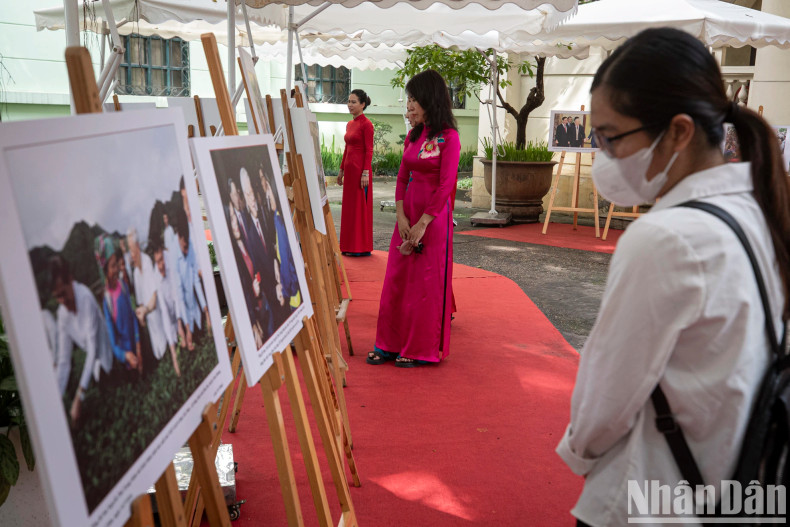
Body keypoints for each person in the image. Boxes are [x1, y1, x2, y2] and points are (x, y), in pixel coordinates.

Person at [556, 28, 789, 527]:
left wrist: (578, 452)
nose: (603, 155)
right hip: (734, 490)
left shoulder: (666, 238)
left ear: (680, 132)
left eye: (611, 137)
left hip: (647, 499)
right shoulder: (761, 212)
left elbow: (605, 401)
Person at [368, 69, 461, 368]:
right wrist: (400, 216)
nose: (409, 107)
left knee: (424, 284)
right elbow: (401, 177)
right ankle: (388, 344)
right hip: (407, 215)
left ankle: (420, 348)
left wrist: (423, 223)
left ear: (429, 100)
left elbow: (446, 184)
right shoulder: (413, 135)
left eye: (413, 100)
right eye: (408, 100)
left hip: (432, 219)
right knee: (396, 278)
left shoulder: (449, 138)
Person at [51, 256, 114, 423]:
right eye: (57, 297)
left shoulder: (85, 297)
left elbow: (93, 349)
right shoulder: (62, 315)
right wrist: (55, 402)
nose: (62, 301)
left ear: (70, 280)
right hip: (93, 365)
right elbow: (64, 362)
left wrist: (79, 396)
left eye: (63, 293)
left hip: (107, 353)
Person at [96, 235, 143, 378]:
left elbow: (133, 317)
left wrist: (138, 346)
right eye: (113, 266)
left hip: (140, 350)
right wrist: (125, 356)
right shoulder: (107, 302)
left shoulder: (123, 286)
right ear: (105, 271)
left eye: (116, 264)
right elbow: (114, 343)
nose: (117, 269)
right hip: (128, 363)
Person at [337, 89, 375, 256]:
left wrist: (365, 172)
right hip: (350, 172)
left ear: (362, 104)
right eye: (349, 101)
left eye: (353, 102)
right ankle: (347, 246)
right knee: (349, 209)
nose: (349, 105)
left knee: (359, 209)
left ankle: (360, 248)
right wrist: (341, 170)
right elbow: (347, 148)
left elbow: (369, 150)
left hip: (360, 172)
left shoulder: (367, 125)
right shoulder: (350, 124)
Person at [175, 209, 210, 350]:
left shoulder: (189, 249)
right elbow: (179, 297)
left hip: (195, 307)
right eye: (184, 247)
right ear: (179, 238)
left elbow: (195, 280)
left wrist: (206, 310)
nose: (186, 251)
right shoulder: (174, 258)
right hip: (183, 312)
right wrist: (187, 327)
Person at [152, 243, 183, 376]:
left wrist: (180, 324)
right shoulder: (156, 275)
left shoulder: (170, 260)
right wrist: (173, 354)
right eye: (157, 262)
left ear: (164, 255)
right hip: (170, 316)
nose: (160, 266)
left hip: (181, 307)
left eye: (161, 260)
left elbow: (177, 296)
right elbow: (164, 312)